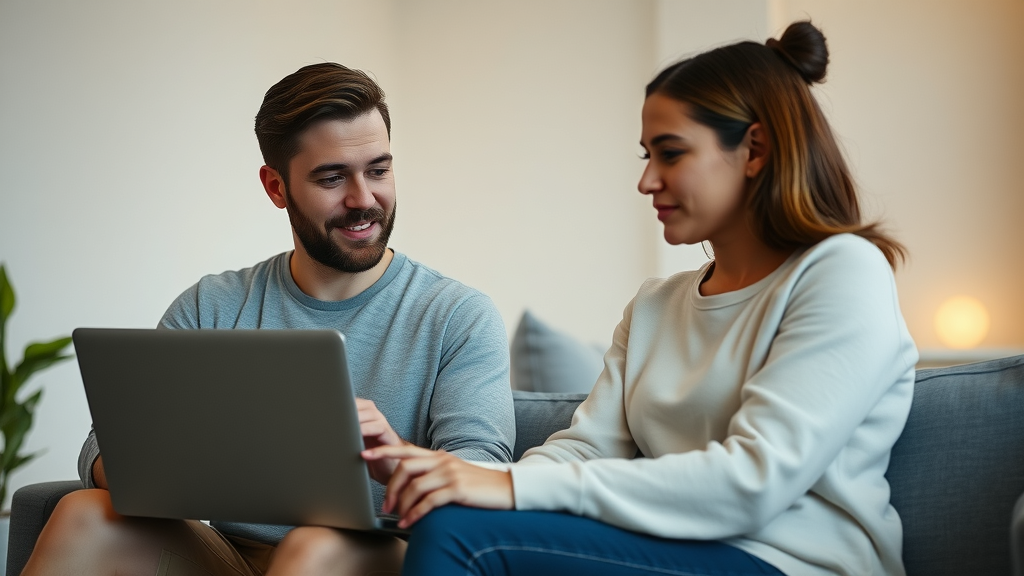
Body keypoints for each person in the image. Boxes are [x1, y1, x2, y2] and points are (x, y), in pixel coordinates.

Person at [365, 21, 918, 576]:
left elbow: (754, 481)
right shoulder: (655, 305)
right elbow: (584, 449)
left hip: (793, 562)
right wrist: (449, 477)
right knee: (452, 519)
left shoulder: (843, 271)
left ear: (756, 148)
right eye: (645, 156)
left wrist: (505, 484)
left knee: (463, 538)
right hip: (666, 550)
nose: (647, 181)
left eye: (671, 154)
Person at [23, 63, 516, 576]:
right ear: (276, 187)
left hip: (379, 555)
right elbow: (106, 445)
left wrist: (399, 458)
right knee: (83, 513)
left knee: (315, 546)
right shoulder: (211, 305)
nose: (364, 198)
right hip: (231, 556)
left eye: (378, 169)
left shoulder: (458, 314)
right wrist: (163, 465)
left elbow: (486, 471)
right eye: (332, 177)